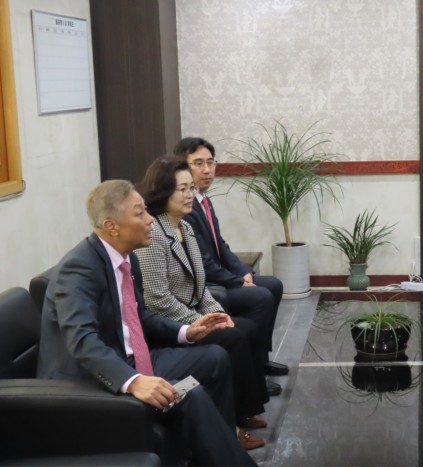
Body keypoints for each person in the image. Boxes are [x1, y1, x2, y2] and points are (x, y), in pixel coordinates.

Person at [37, 180, 255, 466]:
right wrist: (134, 381)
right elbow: (82, 341)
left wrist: (186, 331)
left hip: (130, 357)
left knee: (215, 358)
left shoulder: (127, 259)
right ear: (112, 226)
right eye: (140, 213)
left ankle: (215, 451)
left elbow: (139, 316)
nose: (151, 219)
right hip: (88, 381)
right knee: (190, 392)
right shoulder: (79, 269)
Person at [134, 156, 269, 450]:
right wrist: (198, 322)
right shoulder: (153, 234)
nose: (189, 195)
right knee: (233, 338)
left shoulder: (185, 227)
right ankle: (231, 426)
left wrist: (217, 314)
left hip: (192, 313)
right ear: (162, 191)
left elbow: (201, 285)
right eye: (181, 189)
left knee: (244, 328)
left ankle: (244, 411)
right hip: (169, 324)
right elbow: (157, 299)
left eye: (191, 188)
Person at [173, 137, 287, 392]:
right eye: (198, 163)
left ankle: (260, 359)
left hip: (220, 276)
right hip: (207, 283)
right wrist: (236, 281)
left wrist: (243, 272)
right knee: (260, 296)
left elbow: (220, 246)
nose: (207, 170)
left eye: (210, 163)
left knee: (274, 285)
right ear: (181, 167)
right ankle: (253, 372)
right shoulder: (185, 207)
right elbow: (202, 263)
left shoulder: (203, 200)